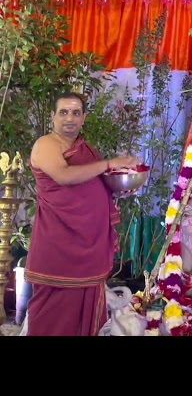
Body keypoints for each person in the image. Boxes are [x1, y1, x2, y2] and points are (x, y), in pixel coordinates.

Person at [24, 91, 139, 336]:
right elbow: (64, 176)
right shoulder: (46, 144)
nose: (70, 118)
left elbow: (96, 183)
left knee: (85, 315)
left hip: (89, 244)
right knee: (51, 317)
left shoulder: (86, 149)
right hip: (57, 244)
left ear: (84, 117)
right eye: (63, 112)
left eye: (76, 113)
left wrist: (121, 189)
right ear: (52, 116)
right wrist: (109, 163)